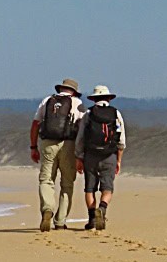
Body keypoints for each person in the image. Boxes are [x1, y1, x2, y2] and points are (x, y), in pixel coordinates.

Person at [30, 78, 86, 232]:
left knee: (46, 179)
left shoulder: (47, 101)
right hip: (69, 144)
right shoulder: (77, 104)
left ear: (60, 88)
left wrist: (33, 147)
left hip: (48, 143)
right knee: (67, 183)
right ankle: (60, 221)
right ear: (74, 91)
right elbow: (82, 130)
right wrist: (80, 154)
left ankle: (47, 209)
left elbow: (35, 124)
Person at [74, 85, 126, 231]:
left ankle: (91, 219)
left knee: (89, 189)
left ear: (93, 99)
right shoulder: (116, 114)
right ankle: (102, 209)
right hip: (109, 155)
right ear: (109, 98)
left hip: (90, 156)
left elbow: (81, 138)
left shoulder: (88, 114)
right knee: (107, 189)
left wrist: (79, 157)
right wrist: (119, 160)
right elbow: (121, 141)